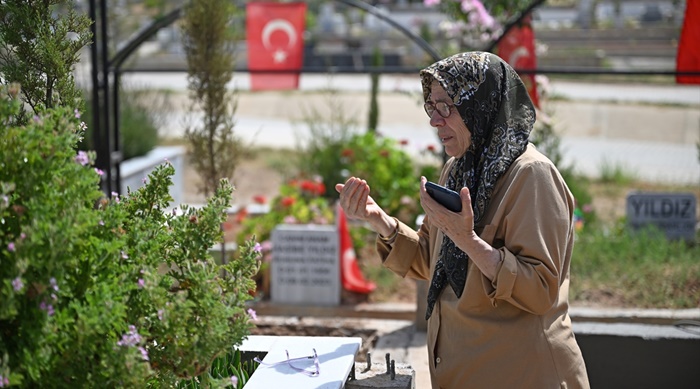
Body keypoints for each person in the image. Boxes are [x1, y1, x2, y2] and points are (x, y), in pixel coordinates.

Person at [335, 52, 590, 388]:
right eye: (431, 106)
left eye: (446, 106)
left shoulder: (531, 176)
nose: (435, 121)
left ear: (479, 104)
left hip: (524, 375)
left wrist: (469, 241)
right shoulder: (460, 169)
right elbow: (430, 261)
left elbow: (540, 290)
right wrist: (379, 220)